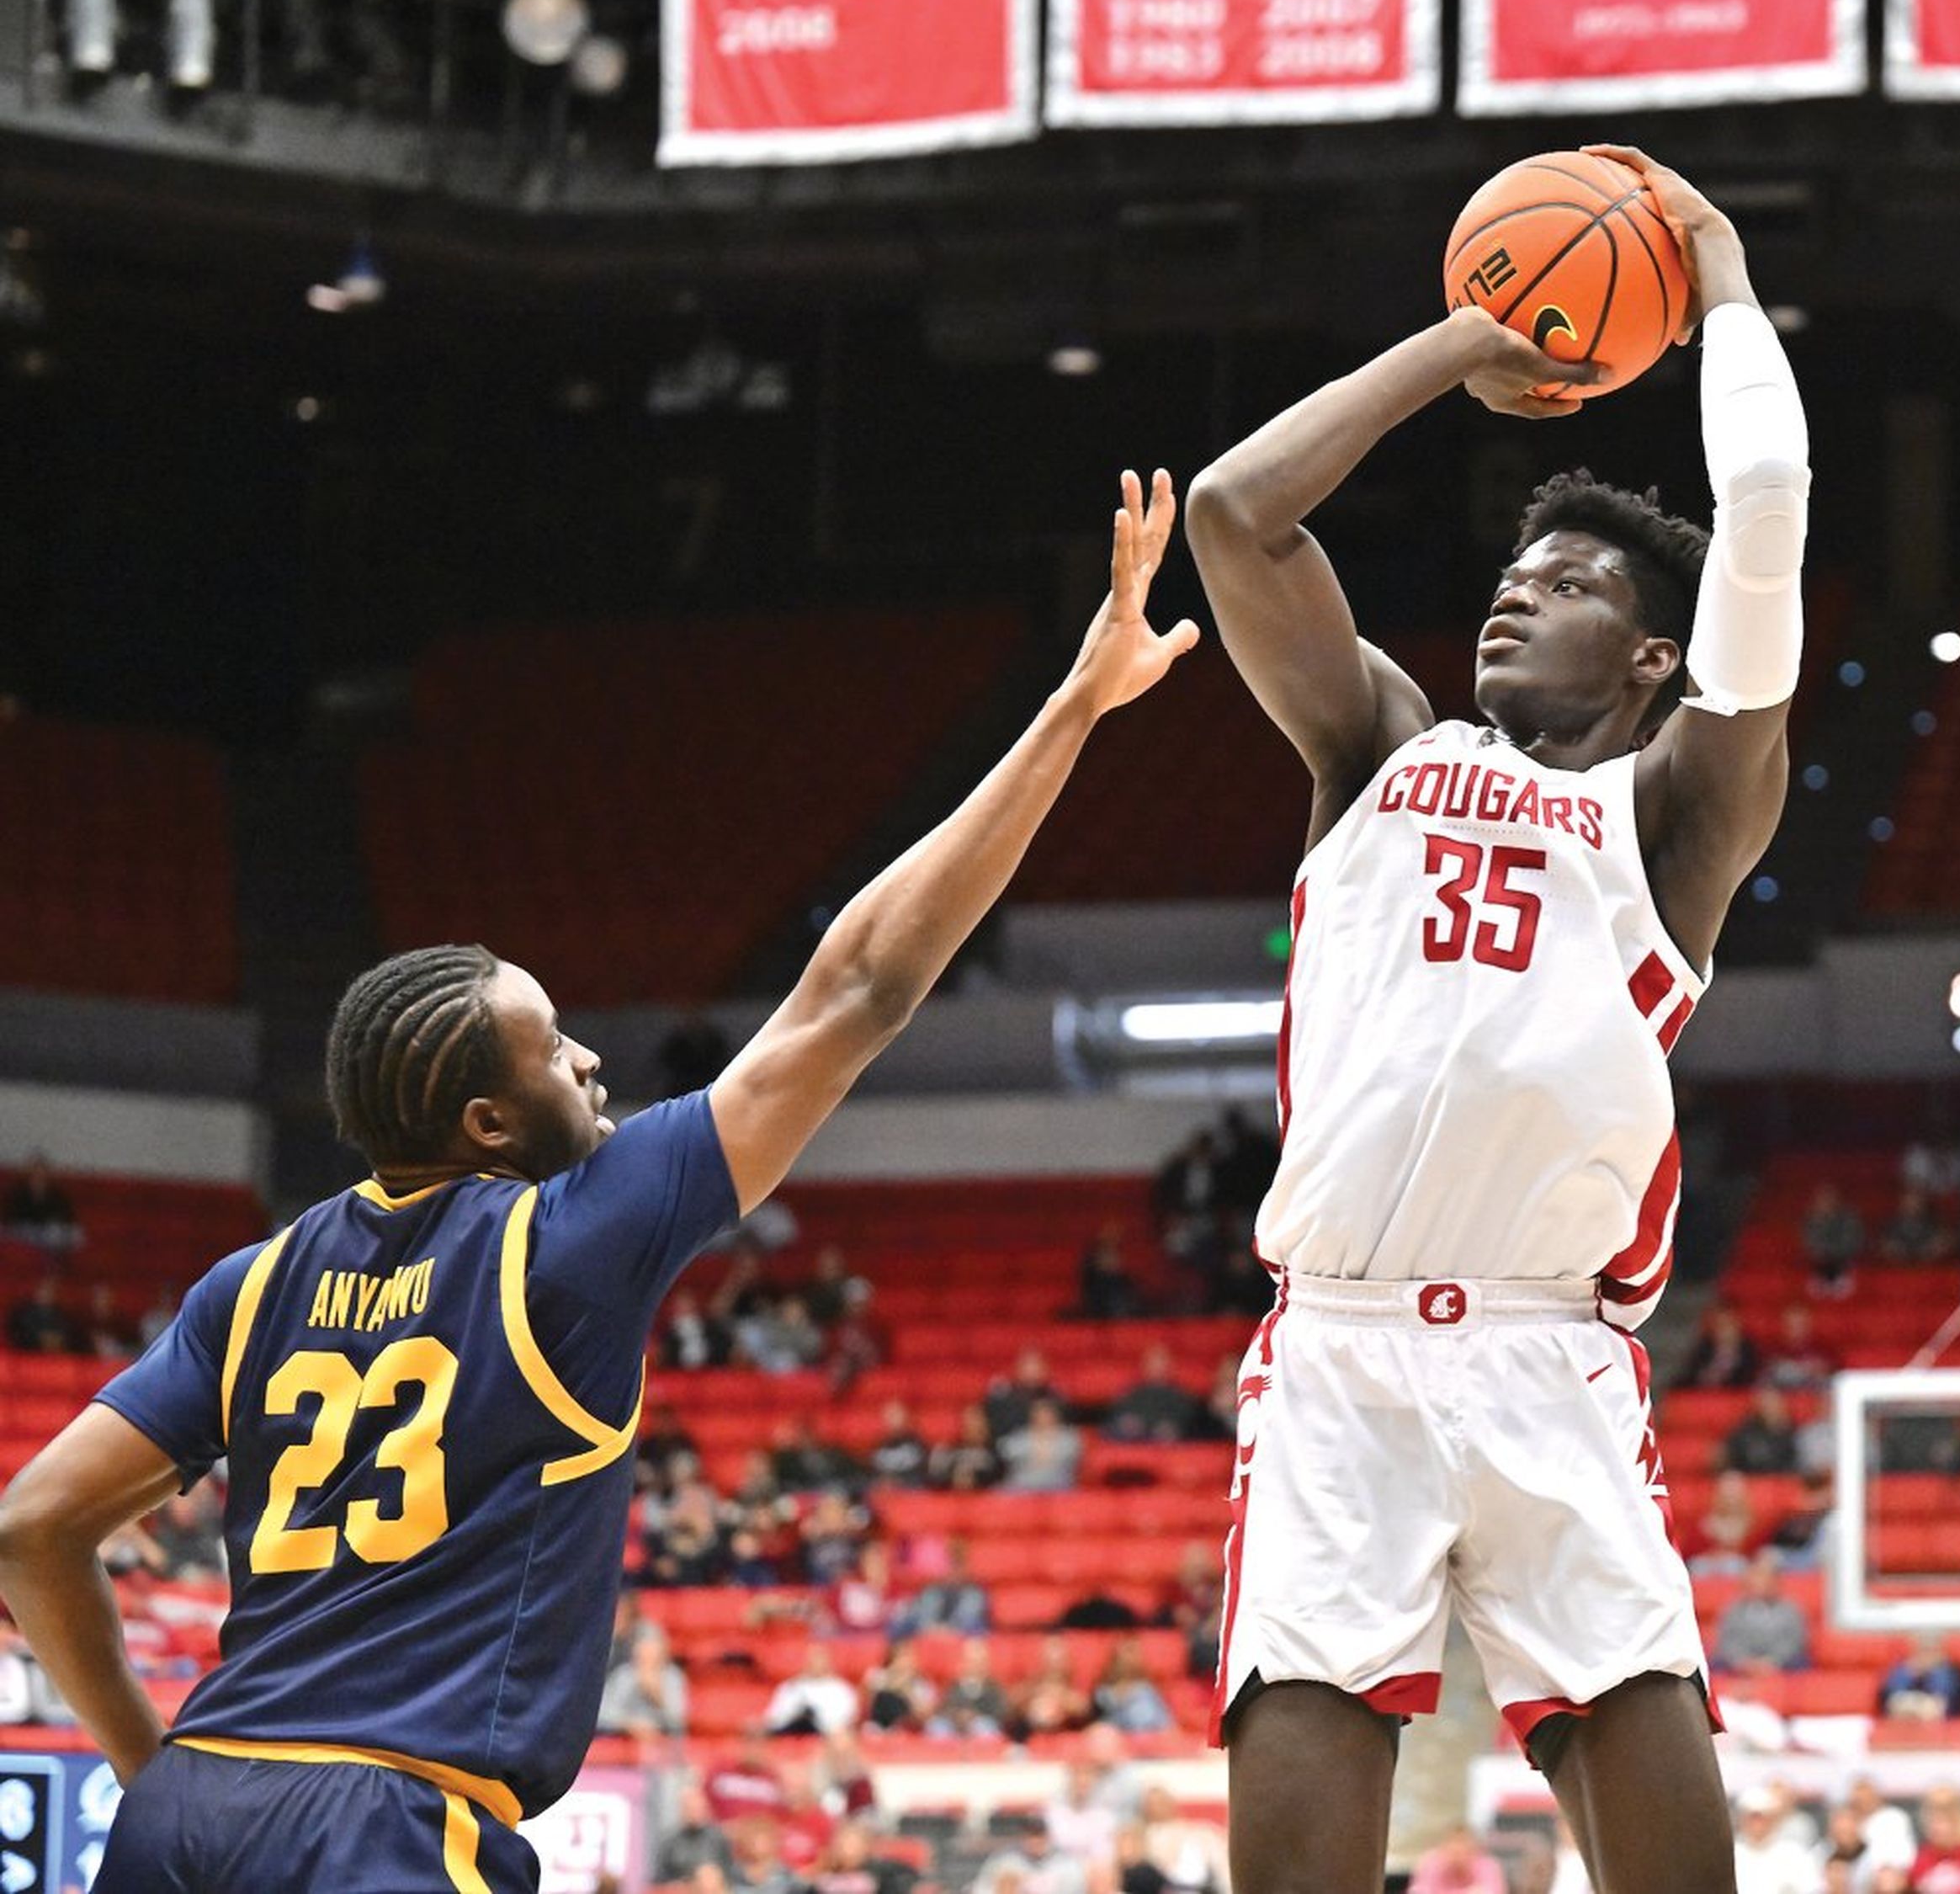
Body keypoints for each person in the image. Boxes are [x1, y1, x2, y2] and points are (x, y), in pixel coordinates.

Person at [0, 481, 1198, 1894]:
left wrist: (157, 1769)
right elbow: (862, 985)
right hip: (388, 1825)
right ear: (490, 1121)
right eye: (555, 1048)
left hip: (186, 1816)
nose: (589, 1060)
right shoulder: (572, 1240)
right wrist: (1073, 709)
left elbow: (31, 1529)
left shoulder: (247, 1288)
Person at [1184, 143, 1809, 1894]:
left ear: (1649, 660)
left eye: (1574, 579)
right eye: (1513, 564)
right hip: (1337, 1348)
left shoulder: (1676, 812)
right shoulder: (1377, 746)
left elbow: (1760, 522)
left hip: (1552, 1353)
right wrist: (1466, 340)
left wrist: (1726, 285)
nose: (1518, 586)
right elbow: (1236, 514)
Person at [1709, 1551, 1809, 1677]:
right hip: (1741, 1664)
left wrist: (1771, 1662)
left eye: (1764, 1577)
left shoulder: (1791, 1610)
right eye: (1755, 1576)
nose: (1758, 1582)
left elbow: (1794, 1643)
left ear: (1775, 1581)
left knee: (1800, 1663)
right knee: (1715, 1664)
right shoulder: (1732, 1610)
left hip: (1779, 1664)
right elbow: (1727, 1641)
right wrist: (1742, 1662)